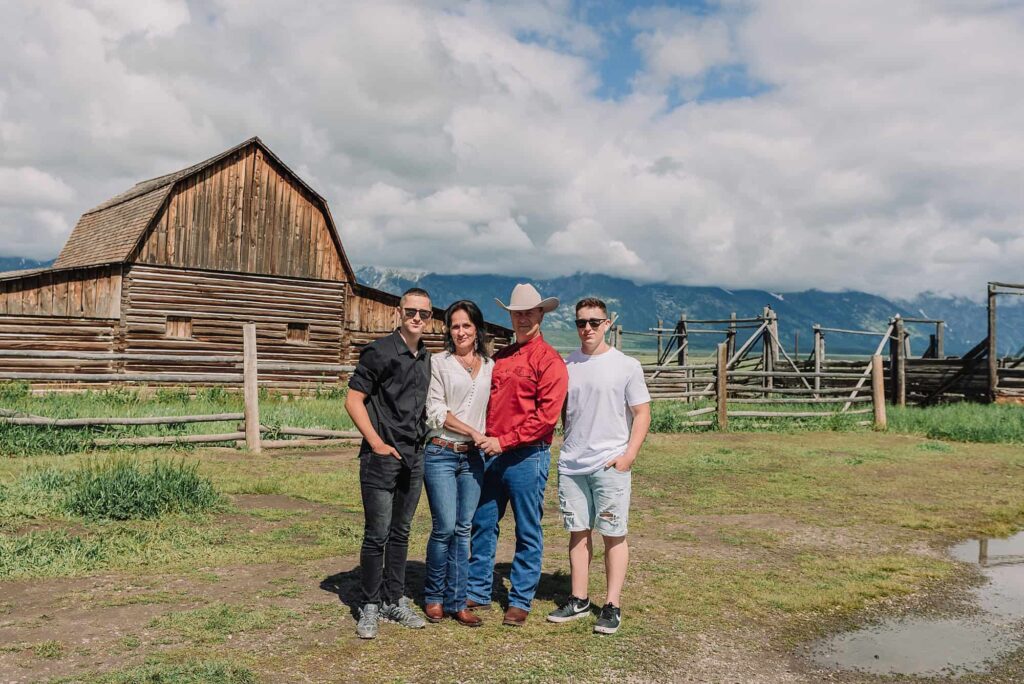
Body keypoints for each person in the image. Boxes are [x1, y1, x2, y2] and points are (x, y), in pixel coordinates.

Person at [466, 283, 569, 627]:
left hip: (526, 455)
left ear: (541, 314)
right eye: (517, 313)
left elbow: (545, 419)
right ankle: (478, 589)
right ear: (510, 316)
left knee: (527, 528)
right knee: (483, 524)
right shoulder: (501, 358)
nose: (523, 318)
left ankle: (520, 599)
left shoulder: (550, 362)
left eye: (529, 312)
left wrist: (503, 441)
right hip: (492, 453)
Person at [546, 297, 650, 635]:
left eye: (594, 322)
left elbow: (642, 413)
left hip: (609, 464)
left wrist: (629, 455)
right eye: (581, 323)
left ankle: (612, 603)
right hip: (573, 465)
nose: (587, 328)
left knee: (613, 533)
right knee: (578, 531)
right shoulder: (567, 365)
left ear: (607, 324)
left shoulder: (627, 365)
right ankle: (579, 598)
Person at [344, 287, 433, 639]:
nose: (416, 318)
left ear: (430, 318)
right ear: (399, 313)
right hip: (381, 459)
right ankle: (369, 605)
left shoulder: (426, 357)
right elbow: (353, 400)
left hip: (414, 458)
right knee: (376, 535)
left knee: (401, 533)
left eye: (423, 313)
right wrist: (377, 443)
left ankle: (393, 599)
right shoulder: (379, 352)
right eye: (410, 311)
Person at [422, 300, 493, 627]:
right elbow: (436, 412)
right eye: (455, 326)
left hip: (473, 459)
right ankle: (434, 596)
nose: (461, 331)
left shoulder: (489, 366)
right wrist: (474, 432)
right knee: (445, 528)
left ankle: (458, 600)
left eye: (466, 325)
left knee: (464, 530)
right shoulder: (439, 363)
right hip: (442, 452)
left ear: (476, 327)